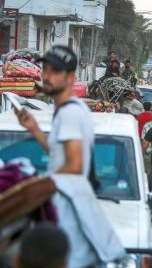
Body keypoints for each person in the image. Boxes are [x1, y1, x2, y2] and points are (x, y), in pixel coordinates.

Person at [16, 45, 94, 177]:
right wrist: (34, 129)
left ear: (70, 77)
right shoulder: (68, 108)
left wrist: (31, 189)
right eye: (45, 69)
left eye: (55, 71)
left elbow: (74, 167)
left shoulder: (70, 113)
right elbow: (58, 156)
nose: (46, 76)